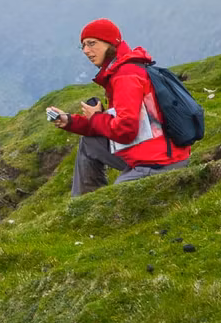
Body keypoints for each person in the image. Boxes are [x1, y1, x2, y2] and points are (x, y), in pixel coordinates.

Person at [47, 18, 190, 196]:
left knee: (114, 204)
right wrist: (69, 121)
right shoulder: (124, 69)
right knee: (90, 143)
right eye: (83, 46)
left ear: (110, 43)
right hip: (151, 152)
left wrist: (97, 117)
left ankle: (91, 205)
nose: (86, 51)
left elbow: (125, 130)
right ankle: (85, 201)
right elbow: (114, 124)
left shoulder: (125, 76)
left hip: (157, 162)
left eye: (92, 43)